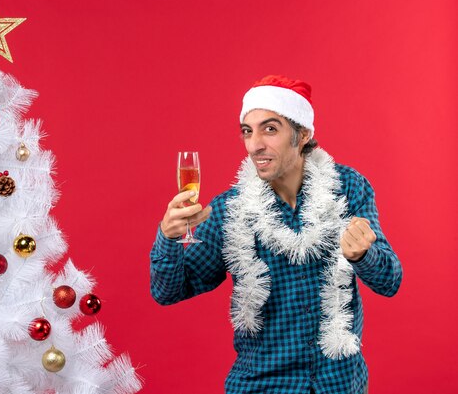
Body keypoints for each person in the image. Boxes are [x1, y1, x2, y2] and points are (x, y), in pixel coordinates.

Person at [150, 75, 402, 394]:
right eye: (247, 131)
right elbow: (168, 291)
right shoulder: (231, 210)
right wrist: (168, 238)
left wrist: (364, 255)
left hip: (340, 384)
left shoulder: (348, 189)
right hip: (265, 386)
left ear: (303, 135)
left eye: (270, 129)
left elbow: (390, 281)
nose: (255, 144)